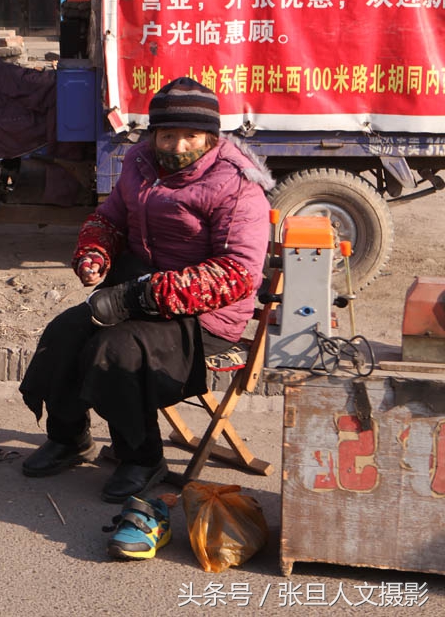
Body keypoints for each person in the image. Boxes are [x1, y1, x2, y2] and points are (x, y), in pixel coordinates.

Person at [19, 77, 274, 503]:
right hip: (137, 290)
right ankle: (69, 437)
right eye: (167, 134)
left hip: (205, 316)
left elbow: (237, 275)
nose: (176, 146)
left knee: (116, 350)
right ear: (153, 133)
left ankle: (142, 458)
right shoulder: (140, 162)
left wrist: (138, 296)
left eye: (189, 135)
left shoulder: (237, 184)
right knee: (65, 333)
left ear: (211, 137)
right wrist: (94, 252)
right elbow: (110, 218)